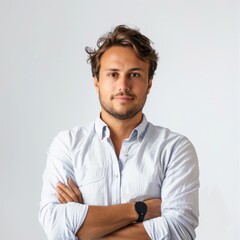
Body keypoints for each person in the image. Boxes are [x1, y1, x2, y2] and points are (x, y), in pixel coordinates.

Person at [39, 25, 199, 240]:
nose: (123, 85)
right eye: (113, 74)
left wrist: (85, 227)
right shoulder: (67, 145)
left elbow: (180, 231)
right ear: (97, 82)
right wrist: (140, 210)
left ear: (149, 83)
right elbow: (55, 228)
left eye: (134, 74)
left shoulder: (175, 149)